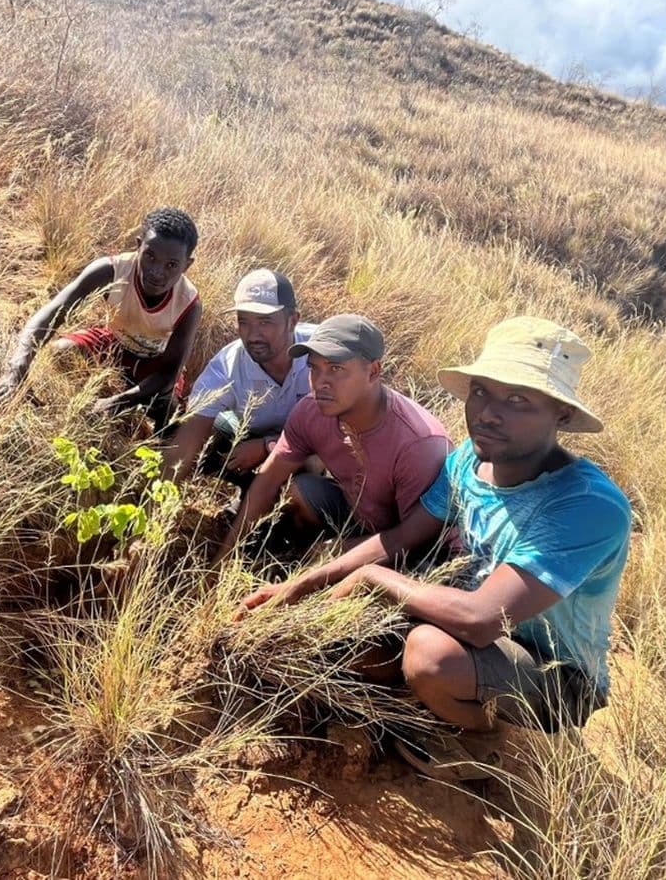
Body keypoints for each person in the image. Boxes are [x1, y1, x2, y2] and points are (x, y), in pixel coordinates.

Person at [238, 316, 632, 780]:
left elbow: (484, 619)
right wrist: (303, 584)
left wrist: (370, 578)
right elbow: (404, 536)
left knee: (428, 656)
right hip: (465, 626)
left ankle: (491, 740)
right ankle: (430, 695)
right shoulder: (469, 459)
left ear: (561, 415)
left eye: (518, 399)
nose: (487, 412)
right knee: (357, 635)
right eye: (482, 391)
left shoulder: (585, 505)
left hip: (553, 672)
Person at [212, 313, 451, 561]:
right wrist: (224, 557)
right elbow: (268, 481)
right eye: (314, 368)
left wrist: (337, 553)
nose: (320, 382)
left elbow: (418, 541)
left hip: (405, 540)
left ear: (373, 371)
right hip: (352, 512)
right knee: (299, 491)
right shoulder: (311, 410)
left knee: (327, 557)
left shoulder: (418, 444)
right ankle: (287, 553)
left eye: (336, 368)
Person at [0, 207, 201, 429]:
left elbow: (168, 374)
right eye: (150, 256)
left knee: (166, 408)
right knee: (60, 352)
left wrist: (115, 403)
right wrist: (16, 369)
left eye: (171, 265)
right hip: (113, 344)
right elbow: (52, 313)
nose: (157, 271)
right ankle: (54, 411)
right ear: (138, 245)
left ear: (186, 265)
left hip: (155, 363)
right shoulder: (111, 270)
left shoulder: (188, 303)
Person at [165, 269, 315, 487]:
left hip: (310, 444)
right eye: (244, 322)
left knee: (310, 472)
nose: (253, 335)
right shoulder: (225, 367)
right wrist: (152, 501)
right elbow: (187, 442)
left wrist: (268, 445)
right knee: (212, 429)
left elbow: (344, 431)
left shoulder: (322, 353)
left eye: (265, 322)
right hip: (248, 432)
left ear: (292, 320)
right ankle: (246, 488)